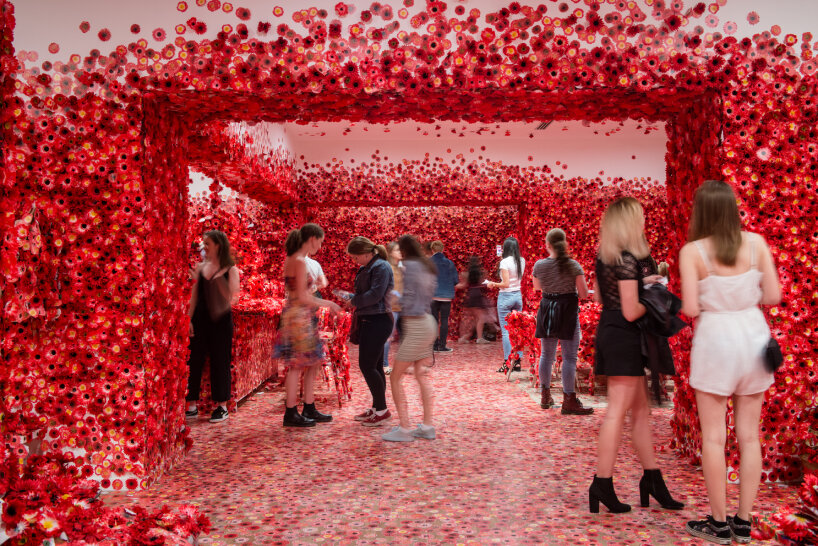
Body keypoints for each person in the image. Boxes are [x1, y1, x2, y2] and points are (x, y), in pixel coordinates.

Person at [679, 180, 781, 544]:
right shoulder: (756, 244)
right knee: (749, 436)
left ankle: (719, 523)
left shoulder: (692, 251)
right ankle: (744, 521)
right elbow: (773, 296)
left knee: (713, 437)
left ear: (700, 212)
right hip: (753, 337)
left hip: (715, 340)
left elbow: (691, 308)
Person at [589, 197, 683, 514]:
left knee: (641, 412)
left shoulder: (606, 257)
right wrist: (657, 296)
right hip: (624, 336)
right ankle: (602, 482)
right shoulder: (628, 259)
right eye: (640, 217)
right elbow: (631, 311)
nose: (644, 222)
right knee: (617, 412)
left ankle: (652, 479)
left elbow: (601, 296)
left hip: (613, 331)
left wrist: (643, 285)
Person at [275, 224, 341, 427]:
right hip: (299, 317)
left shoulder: (294, 259)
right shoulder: (298, 261)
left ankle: (308, 406)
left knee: (312, 362)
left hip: (300, 315)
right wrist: (328, 303)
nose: (320, 247)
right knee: (297, 365)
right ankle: (291, 412)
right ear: (312, 238)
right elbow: (302, 297)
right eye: (320, 242)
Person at [381, 235, 438, 442]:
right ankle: (428, 426)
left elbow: (410, 297)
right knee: (421, 375)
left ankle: (404, 428)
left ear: (404, 250)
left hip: (416, 325)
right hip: (428, 322)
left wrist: (395, 297)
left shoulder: (410, 266)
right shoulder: (426, 266)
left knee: (395, 377)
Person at [532, 228, 594, 415]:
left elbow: (537, 287)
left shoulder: (539, 265)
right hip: (567, 310)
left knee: (546, 355)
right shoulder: (573, 265)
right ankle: (569, 400)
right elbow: (583, 294)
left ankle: (545, 396)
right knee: (569, 357)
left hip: (547, 310)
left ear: (548, 245)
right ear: (565, 243)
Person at [186, 230, 241, 423]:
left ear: (218, 245)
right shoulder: (200, 267)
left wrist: (216, 279)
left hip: (221, 322)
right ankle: (191, 405)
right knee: (194, 360)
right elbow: (194, 296)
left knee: (220, 362)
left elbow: (233, 298)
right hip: (199, 320)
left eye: (207, 243)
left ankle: (221, 406)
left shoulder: (231, 269)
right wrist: (188, 319)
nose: (204, 247)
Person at [346, 236, 395, 427]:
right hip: (371, 318)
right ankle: (377, 407)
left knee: (367, 365)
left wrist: (354, 301)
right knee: (374, 365)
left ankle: (382, 410)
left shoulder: (381, 267)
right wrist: (351, 298)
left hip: (379, 319)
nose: (354, 261)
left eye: (355, 257)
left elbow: (375, 295)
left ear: (366, 253)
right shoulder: (368, 267)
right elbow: (367, 294)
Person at [487, 237, 525, 369]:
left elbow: (505, 283)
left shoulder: (504, 262)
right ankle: (517, 362)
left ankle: (508, 363)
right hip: (517, 296)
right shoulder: (522, 260)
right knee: (518, 330)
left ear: (505, 248)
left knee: (506, 331)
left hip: (505, 297)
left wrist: (492, 284)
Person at [429, 241, 458, 353]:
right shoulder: (449, 263)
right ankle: (442, 346)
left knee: (434, 320)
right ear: (442, 249)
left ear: (432, 250)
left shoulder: (428, 262)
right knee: (444, 320)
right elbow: (455, 280)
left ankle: (434, 345)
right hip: (446, 296)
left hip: (432, 296)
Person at [456, 256, 491, 344]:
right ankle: (479, 338)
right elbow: (483, 283)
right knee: (481, 318)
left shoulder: (466, 274)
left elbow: (463, 285)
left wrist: (453, 285)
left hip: (470, 295)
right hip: (477, 295)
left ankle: (464, 337)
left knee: (474, 319)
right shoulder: (481, 273)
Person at [382, 241, 403, 375]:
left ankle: (403, 364)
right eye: (397, 250)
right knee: (387, 337)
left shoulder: (399, 267)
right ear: (390, 252)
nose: (400, 252)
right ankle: (384, 364)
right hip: (391, 307)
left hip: (401, 307)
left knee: (405, 336)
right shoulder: (388, 267)